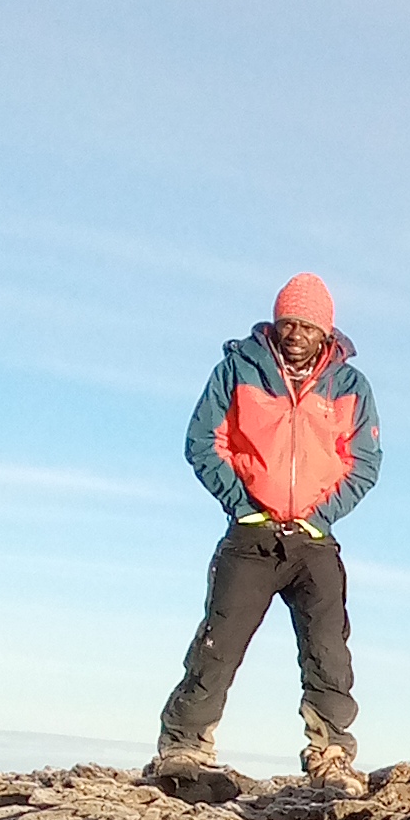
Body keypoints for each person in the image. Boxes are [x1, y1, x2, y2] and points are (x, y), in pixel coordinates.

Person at [152, 276, 382, 785]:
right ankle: (184, 748)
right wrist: (242, 505)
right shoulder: (237, 369)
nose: (295, 332)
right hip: (251, 536)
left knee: (328, 651)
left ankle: (331, 755)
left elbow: (363, 462)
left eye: (306, 325)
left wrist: (320, 515)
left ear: (325, 331)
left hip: (314, 540)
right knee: (219, 643)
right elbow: (203, 441)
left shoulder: (350, 387)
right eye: (287, 323)